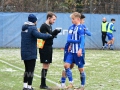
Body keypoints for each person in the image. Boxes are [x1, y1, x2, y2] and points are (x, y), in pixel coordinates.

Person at [21, 14, 52, 90]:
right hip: (30, 52)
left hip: (24, 51)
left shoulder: (24, 27)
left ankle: (25, 86)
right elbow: (40, 35)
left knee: (27, 70)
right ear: (34, 21)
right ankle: (29, 87)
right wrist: (50, 35)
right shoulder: (32, 28)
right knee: (31, 70)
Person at [60, 14, 91, 90]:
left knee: (80, 69)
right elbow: (69, 39)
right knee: (66, 66)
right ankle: (68, 83)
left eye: (73, 19)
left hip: (78, 52)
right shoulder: (72, 27)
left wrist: (80, 49)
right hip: (71, 51)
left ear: (78, 19)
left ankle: (82, 86)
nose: (72, 20)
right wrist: (73, 43)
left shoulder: (82, 28)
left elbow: (85, 38)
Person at [39, 12, 61, 89]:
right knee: (45, 65)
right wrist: (54, 33)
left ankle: (43, 83)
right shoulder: (43, 26)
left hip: (49, 47)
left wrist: (56, 33)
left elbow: (50, 36)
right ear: (49, 18)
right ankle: (42, 84)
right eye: (53, 19)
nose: (54, 21)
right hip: (44, 48)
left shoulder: (50, 26)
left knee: (47, 65)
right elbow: (44, 37)